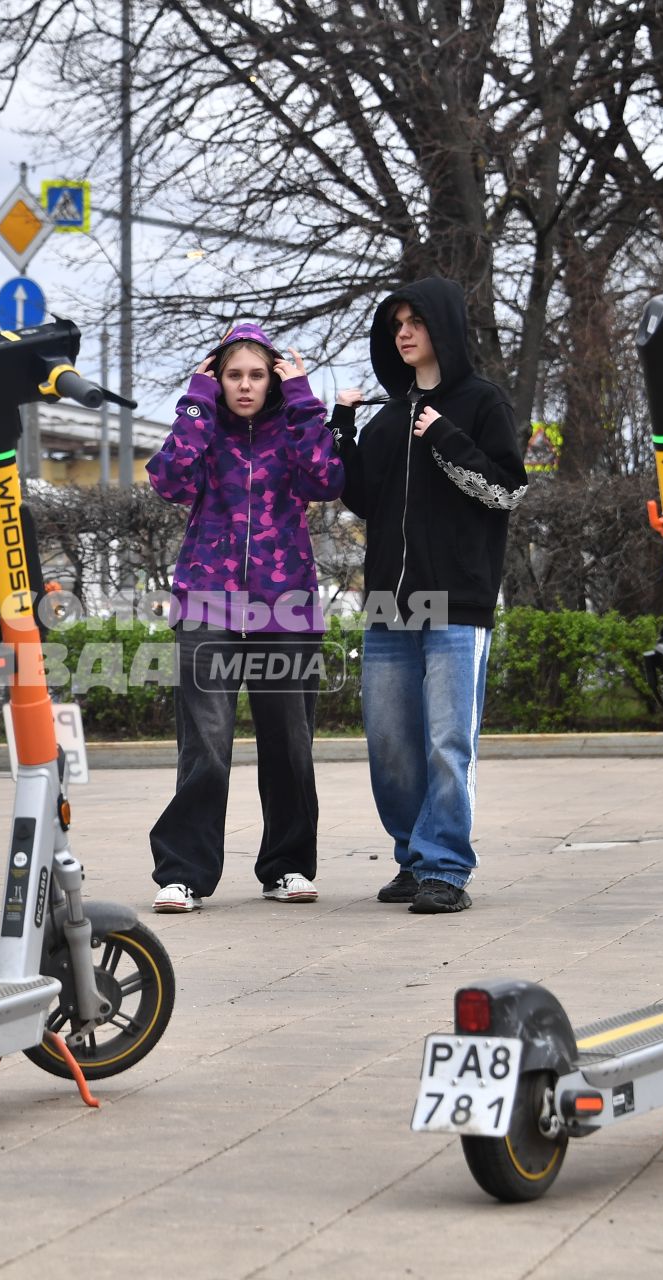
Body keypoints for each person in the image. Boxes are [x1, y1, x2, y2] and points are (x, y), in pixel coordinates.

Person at [332, 278, 528, 915]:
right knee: (390, 741)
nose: (404, 333)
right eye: (396, 325)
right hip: (389, 602)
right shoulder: (388, 417)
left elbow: (506, 491)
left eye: (415, 321)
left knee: (448, 740)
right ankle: (413, 859)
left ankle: (446, 866)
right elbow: (361, 498)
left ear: (442, 326)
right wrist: (342, 425)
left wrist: (443, 435)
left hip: (457, 600)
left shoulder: (480, 402)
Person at [144, 321, 343, 913]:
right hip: (208, 601)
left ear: (274, 378)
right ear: (217, 378)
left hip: (286, 606)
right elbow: (168, 481)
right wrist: (195, 405)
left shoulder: (293, 427)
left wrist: (306, 400)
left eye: (257, 375)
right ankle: (183, 873)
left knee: (290, 743)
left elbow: (328, 480)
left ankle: (286, 867)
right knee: (205, 744)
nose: (246, 386)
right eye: (233, 375)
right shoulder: (204, 430)